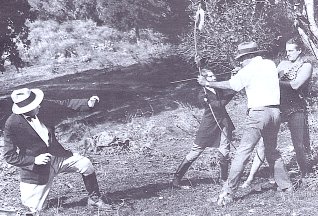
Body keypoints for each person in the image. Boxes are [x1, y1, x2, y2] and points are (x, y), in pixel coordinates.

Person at [197, 41, 293, 206]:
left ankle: (227, 193)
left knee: (242, 153)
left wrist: (207, 83)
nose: (240, 62)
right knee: (272, 151)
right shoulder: (269, 64)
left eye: (241, 58)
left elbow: (232, 85)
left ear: (249, 56)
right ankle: (287, 187)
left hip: (258, 113)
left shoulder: (247, 69)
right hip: (275, 113)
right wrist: (241, 72)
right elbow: (256, 79)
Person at [3, 88, 110, 215]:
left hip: (58, 156)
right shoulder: (12, 124)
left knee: (85, 164)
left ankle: (94, 198)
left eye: (37, 102)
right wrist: (34, 160)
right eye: (35, 105)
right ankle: (41, 199)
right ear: (24, 109)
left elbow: (65, 103)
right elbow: (9, 156)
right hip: (37, 169)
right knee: (34, 210)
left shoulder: (42, 105)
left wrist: (88, 103)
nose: (39, 105)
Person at [242, 37, 313, 188]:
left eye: (291, 51)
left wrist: (273, 80)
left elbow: (296, 84)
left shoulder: (306, 66)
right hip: (278, 106)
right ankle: (250, 177)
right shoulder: (282, 64)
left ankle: (305, 174)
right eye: (286, 51)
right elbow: (265, 77)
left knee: (298, 144)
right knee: (264, 143)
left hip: (296, 108)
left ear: (299, 50)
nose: (288, 54)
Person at [172, 68, 235, 187]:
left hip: (224, 123)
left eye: (214, 75)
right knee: (196, 151)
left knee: (224, 151)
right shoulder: (202, 94)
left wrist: (233, 79)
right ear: (203, 80)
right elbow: (217, 105)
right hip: (209, 125)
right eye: (210, 77)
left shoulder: (217, 88)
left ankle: (224, 180)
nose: (214, 78)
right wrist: (233, 92)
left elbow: (227, 87)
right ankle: (176, 180)